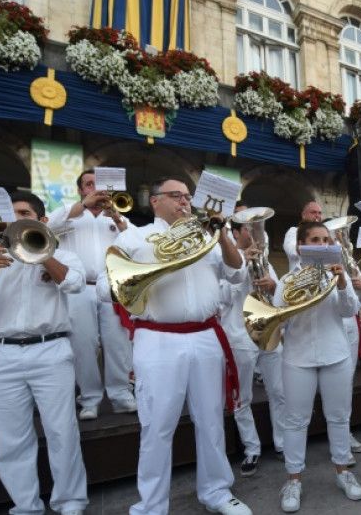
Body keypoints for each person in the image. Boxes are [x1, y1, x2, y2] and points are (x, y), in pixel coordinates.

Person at [97, 177, 251, 515]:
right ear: (155, 201)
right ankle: (151, 505)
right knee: (157, 425)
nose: (184, 202)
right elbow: (103, 287)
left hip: (206, 335)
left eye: (187, 196)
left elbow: (238, 274)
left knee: (211, 419)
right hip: (157, 338)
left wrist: (222, 233)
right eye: (176, 196)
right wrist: (146, 273)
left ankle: (217, 493)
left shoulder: (207, 237)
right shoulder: (133, 237)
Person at [0, 191, 89, 514]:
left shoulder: (63, 255)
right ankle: (25, 505)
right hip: (0, 355)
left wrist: (42, 252)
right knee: (8, 439)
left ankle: (70, 501)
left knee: (62, 431)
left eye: (24, 212)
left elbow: (74, 284)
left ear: (42, 221)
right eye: (11, 213)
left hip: (51, 350)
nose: (16, 219)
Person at [276, 222, 361, 513]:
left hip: (335, 354)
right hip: (297, 358)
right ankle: (294, 480)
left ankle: (343, 472)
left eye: (326, 240)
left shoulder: (339, 276)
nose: (323, 244)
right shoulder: (287, 280)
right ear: (301, 246)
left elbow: (349, 311)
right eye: (315, 239)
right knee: (296, 420)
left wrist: (341, 282)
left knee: (339, 417)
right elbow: (279, 321)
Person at [48, 169, 135, 421]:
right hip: (79, 286)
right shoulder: (68, 212)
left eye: (99, 185)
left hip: (111, 287)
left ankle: (121, 395)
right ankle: (89, 398)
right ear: (80, 191)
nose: (95, 189)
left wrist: (118, 219)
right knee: (83, 343)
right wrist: (82, 206)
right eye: (89, 184)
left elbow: (137, 243)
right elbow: (47, 227)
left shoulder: (117, 214)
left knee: (118, 343)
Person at [221, 215, 286, 476]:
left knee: (279, 392)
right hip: (239, 335)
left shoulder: (267, 260)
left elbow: (280, 296)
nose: (254, 232)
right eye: (248, 228)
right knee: (242, 397)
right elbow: (222, 297)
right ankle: (252, 449)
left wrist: (273, 285)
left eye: (256, 227)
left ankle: (282, 443)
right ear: (236, 234)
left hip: (268, 332)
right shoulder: (224, 261)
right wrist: (243, 266)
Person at [282, 201, 323, 273]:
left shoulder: (325, 235)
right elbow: (291, 251)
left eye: (319, 213)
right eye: (313, 212)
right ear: (304, 215)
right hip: (298, 279)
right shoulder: (294, 231)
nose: (318, 216)